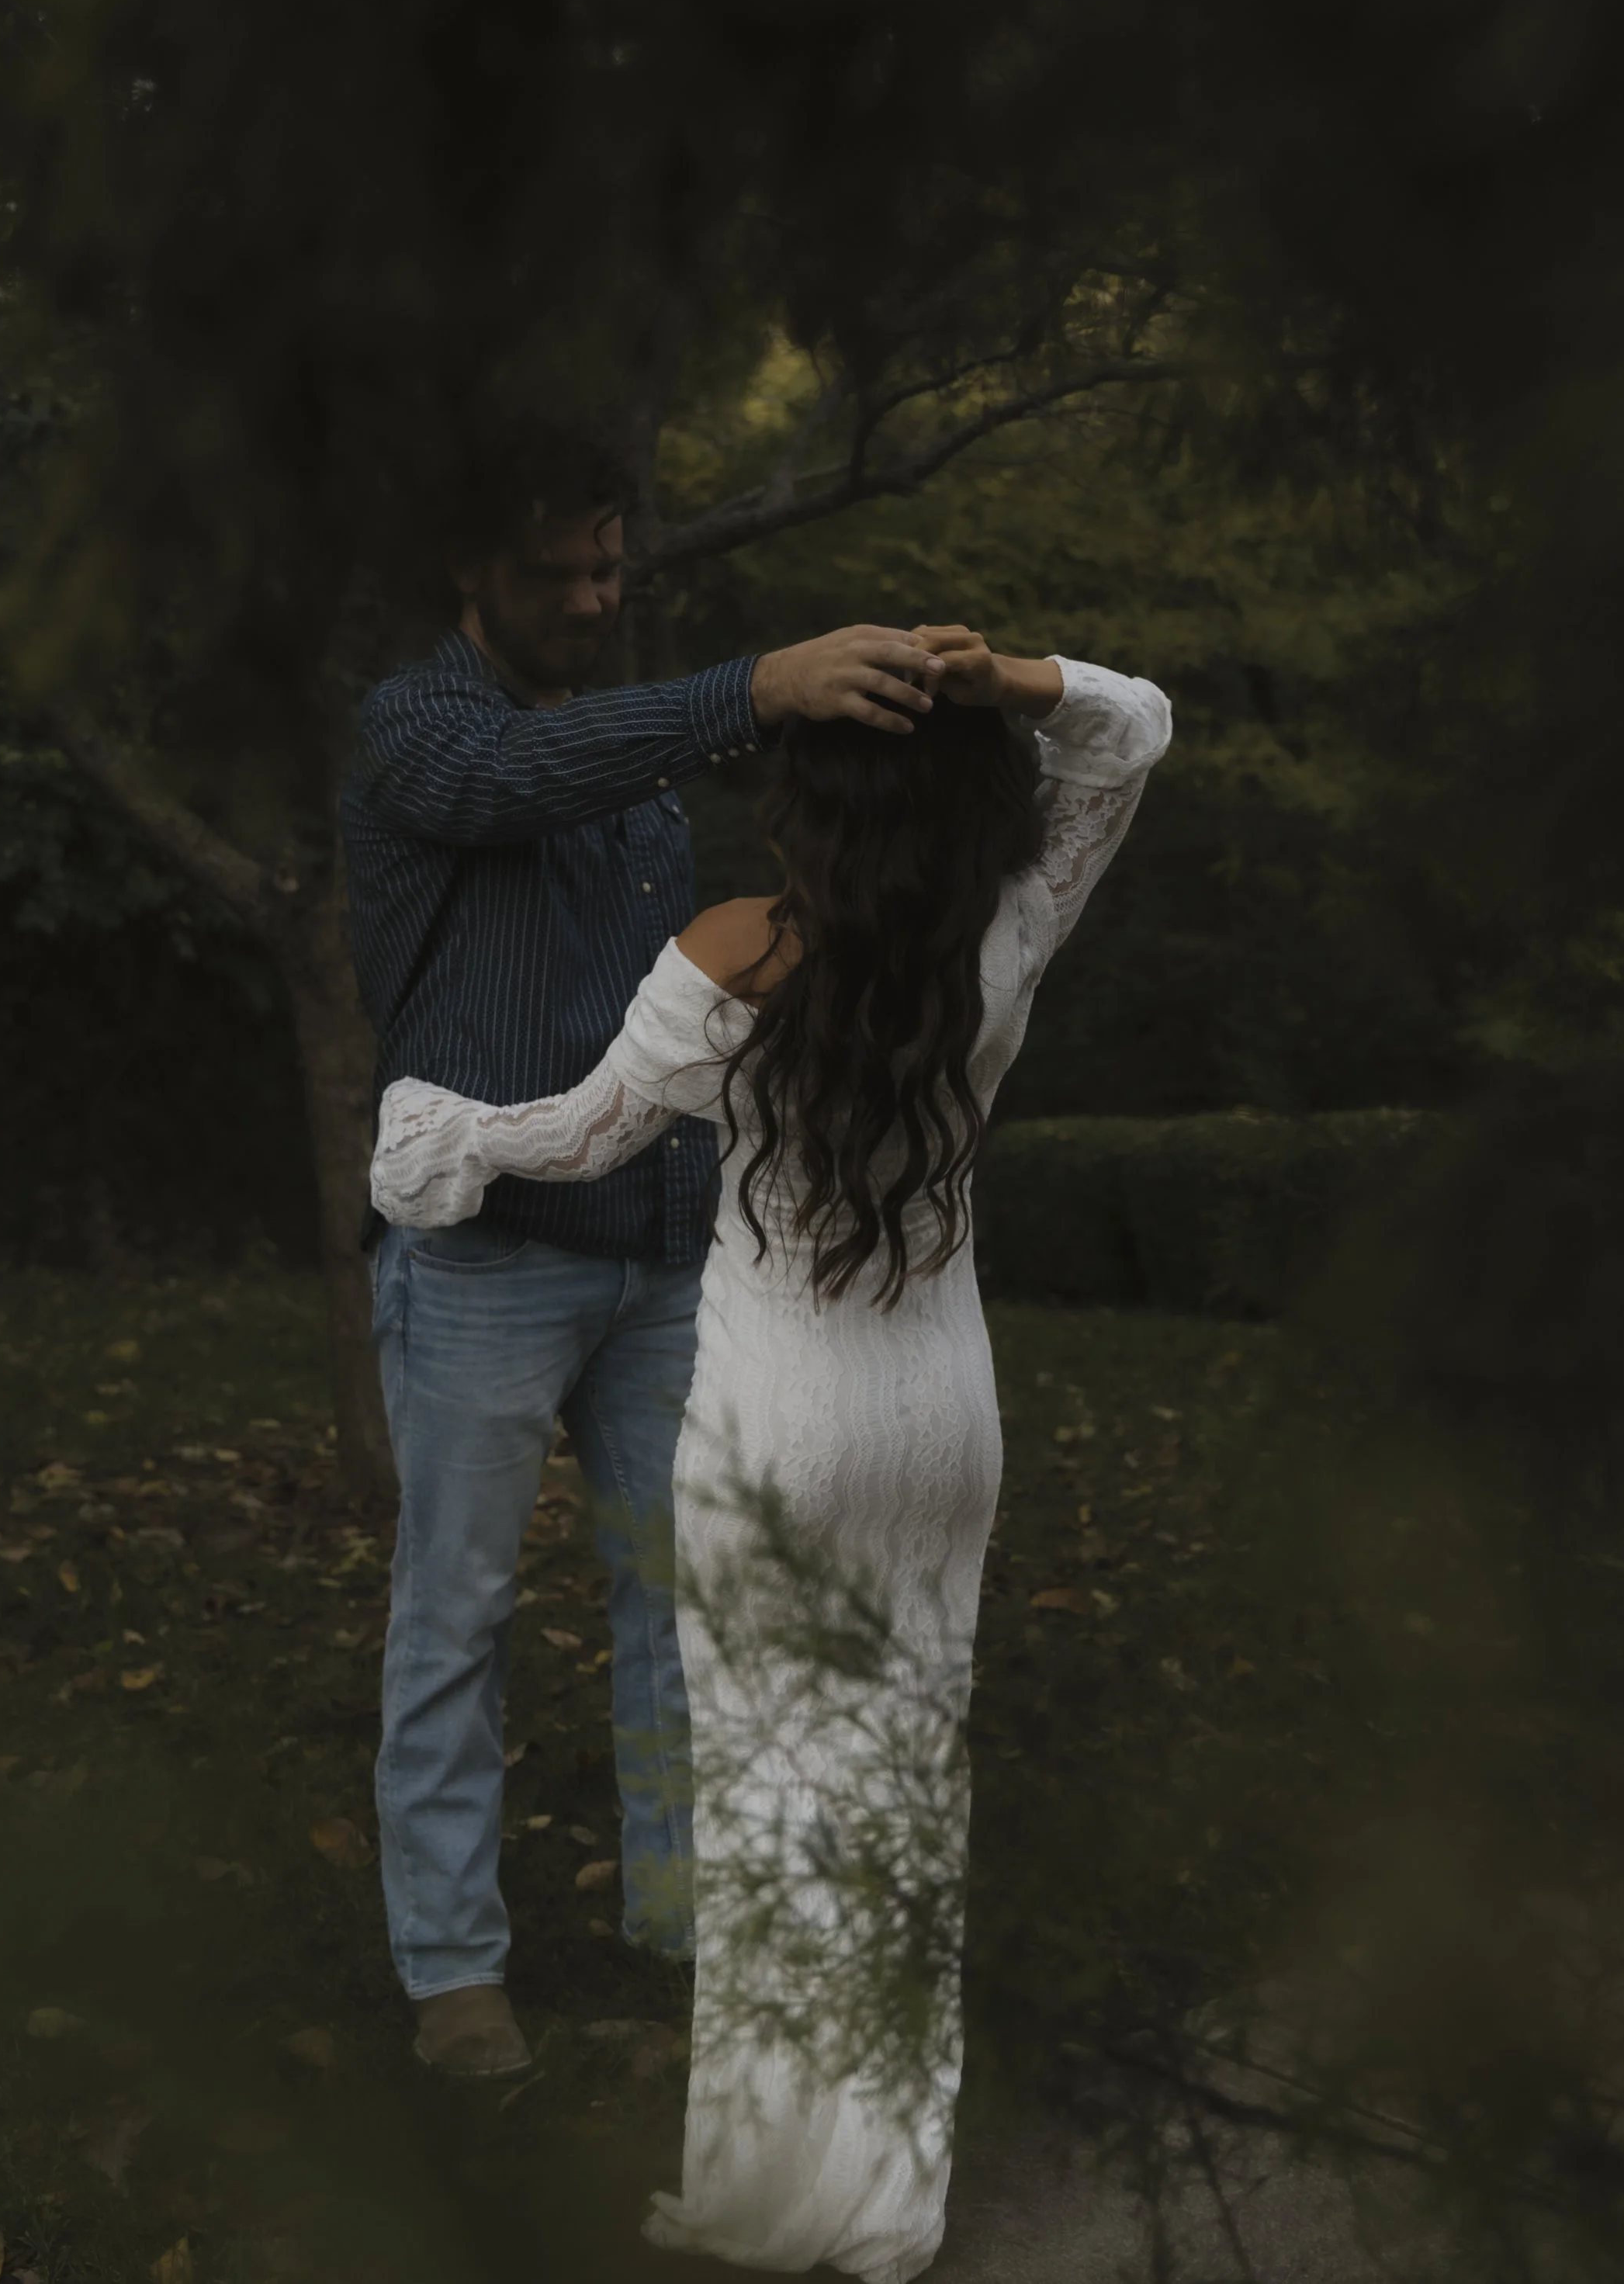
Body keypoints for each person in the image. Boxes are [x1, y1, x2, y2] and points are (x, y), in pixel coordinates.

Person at [369, 623, 1172, 2280]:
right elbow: (1133, 729)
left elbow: (576, 1139)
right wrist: (1006, 678)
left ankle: (770, 2199)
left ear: (808, 802)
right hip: (942, 1428)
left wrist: (444, 1135)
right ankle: (886, 2208)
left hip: (783, 1428)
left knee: (774, 1812)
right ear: (972, 798)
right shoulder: (1009, 931)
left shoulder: (734, 950)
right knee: (903, 1799)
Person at [341, 427, 950, 2083]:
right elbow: (510, 778)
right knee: (454, 1617)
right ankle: (454, 1974)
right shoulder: (418, 729)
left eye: (610, 569)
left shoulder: (628, 765)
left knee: (683, 1605)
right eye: (558, 574)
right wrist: (755, 686)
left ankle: (684, 1931)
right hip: (479, 1263)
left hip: (660, 1260)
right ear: (470, 571)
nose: (594, 600)